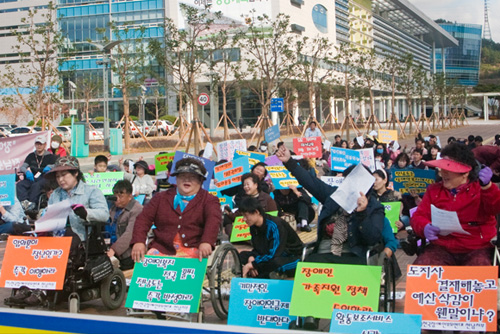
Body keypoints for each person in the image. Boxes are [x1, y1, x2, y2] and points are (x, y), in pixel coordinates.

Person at [276, 145, 384, 265]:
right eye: (347, 180)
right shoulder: (334, 194)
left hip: (353, 255)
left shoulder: (374, 206)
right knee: (309, 264)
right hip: (325, 252)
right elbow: (310, 181)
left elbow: (372, 238)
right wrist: (289, 162)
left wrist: (362, 214)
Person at [411, 142, 500, 266]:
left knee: (479, 271)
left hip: (477, 247)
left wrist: (488, 187)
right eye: (442, 169)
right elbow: (418, 216)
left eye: (449, 169)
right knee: (422, 270)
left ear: (465, 172)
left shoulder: (480, 189)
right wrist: (424, 227)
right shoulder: (434, 190)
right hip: (441, 247)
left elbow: (494, 208)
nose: (443, 173)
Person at [131, 158, 220, 261]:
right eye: (182, 176)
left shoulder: (209, 200)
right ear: (176, 179)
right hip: (162, 249)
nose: (187, 180)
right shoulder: (161, 198)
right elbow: (143, 219)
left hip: (194, 248)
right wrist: (139, 241)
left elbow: (213, 221)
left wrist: (207, 241)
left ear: (200, 180)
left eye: (192, 177)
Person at [46, 156, 109, 242]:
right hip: (57, 239)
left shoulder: (91, 191)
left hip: (83, 240)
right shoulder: (55, 194)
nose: (60, 179)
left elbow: (104, 214)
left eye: (64, 175)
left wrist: (86, 213)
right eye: (57, 176)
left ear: (75, 173)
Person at [238, 197, 303, 279]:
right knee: (242, 256)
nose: (244, 219)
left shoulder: (275, 225)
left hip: (290, 255)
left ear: (256, 212)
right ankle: (263, 272)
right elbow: (259, 249)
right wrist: (251, 259)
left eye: (246, 216)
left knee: (275, 263)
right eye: (243, 216)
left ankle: (265, 273)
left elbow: (274, 253)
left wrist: (253, 264)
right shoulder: (253, 227)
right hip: (269, 254)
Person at [106, 180, 142, 270]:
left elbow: (130, 233)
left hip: (127, 254)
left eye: (121, 196)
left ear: (130, 196)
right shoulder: (113, 207)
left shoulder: (137, 209)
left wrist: (114, 249)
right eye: (115, 195)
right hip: (110, 249)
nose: (117, 199)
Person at [16, 135, 57, 210]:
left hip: (45, 178)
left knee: (36, 185)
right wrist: (27, 171)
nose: (39, 146)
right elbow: (23, 167)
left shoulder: (51, 157)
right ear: (35, 145)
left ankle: (33, 205)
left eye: (41, 144)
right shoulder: (31, 156)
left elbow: (56, 165)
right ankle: (25, 202)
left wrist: (50, 167)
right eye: (37, 144)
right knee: (20, 185)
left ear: (44, 145)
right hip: (33, 177)